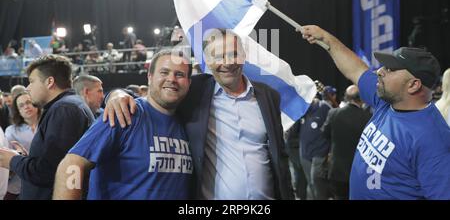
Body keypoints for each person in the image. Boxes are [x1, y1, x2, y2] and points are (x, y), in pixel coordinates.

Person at [104, 29, 293, 200]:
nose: (227, 63)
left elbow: (279, 156)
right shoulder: (195, 91)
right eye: (217, 56)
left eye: (233, 54)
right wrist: (117, 94)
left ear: (243, 55)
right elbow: (158, 93)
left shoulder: (268, 96)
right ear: (207, 62)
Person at [300, 25, 450, 199]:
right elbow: (357, 70)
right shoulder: (387, 101)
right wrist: (325, 38)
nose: (380, 71)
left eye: (390, 69)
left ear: (413, 85)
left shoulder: (434, 140)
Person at [53, 49, 193, 199]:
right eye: (164, 72)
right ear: (150, 77)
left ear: (189, 82)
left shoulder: (190, 123)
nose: (172, 79)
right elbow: (72, 165)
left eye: (179, 74)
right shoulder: (124, 113)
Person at [0, 54, 95, 199]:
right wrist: (27, 159)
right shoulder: (65, 106)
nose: (28, 87)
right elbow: (53, 160)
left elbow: (50, 171)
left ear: (50, 81)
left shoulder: (64, 109)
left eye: (32, 81)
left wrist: (13, 160)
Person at [321, 85, 371, 199]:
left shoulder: (333, 113)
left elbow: (324, 134)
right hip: (359, 172)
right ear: (362, 98)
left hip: (337, 171)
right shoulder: (368, 117)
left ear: (346, 97)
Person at [4, 92, 41, 200]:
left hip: (44, 182)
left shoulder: (48, 125)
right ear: (18, 111)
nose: (26, 107)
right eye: (21, 105)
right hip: (17, 184)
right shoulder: (11, 131)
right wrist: (19, 156)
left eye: (28, 102)